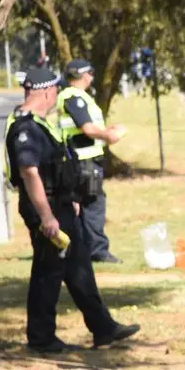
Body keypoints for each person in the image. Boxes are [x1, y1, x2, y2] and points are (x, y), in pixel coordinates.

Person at [6, 67, 139, 353]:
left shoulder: (42, 124)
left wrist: (71, 197)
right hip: (46, 207)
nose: (56, 95)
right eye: (53, 90)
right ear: (44, 91)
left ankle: (103, 328)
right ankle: (41, 339)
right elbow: (30, 173)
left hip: (62, 203)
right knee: (48, 271)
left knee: (79, 266)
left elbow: (55, 166)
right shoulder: (25, 128)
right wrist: (46, 216)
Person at [57, 59, 127, 263]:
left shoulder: (72, 96)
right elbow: (86, 128)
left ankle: (78, 249)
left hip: (81, 159)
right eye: (91, 73)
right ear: (85, 75)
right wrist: (109, 136)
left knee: (81, 205)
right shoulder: (74, 97)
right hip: (84, 161)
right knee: (93, 205)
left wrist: (106, 130)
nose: (92, 77)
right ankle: (97, 251)